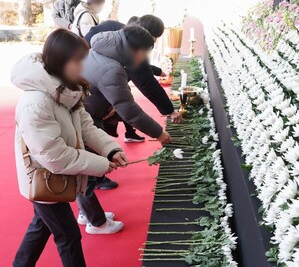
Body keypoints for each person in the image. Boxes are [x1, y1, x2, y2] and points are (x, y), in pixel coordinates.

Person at [11, 29, 127, 267]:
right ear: (60, 61)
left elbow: (86, 126)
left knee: (41, 226)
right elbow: (54, 156)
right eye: (78, 61)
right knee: (69, 236)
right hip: (44, 175)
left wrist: (110, 149)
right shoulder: (36, 103)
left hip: (55, 178)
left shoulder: (66, 88)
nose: (83, 66)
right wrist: (103, 164)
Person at [84, 15, 183, 143]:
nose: (143, 59)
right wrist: (159, 133)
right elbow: (129, 109)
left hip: (88, 111)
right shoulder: (112, 70)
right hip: (88, 116)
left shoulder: (115, 43)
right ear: (135, 50)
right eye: (144, 54)